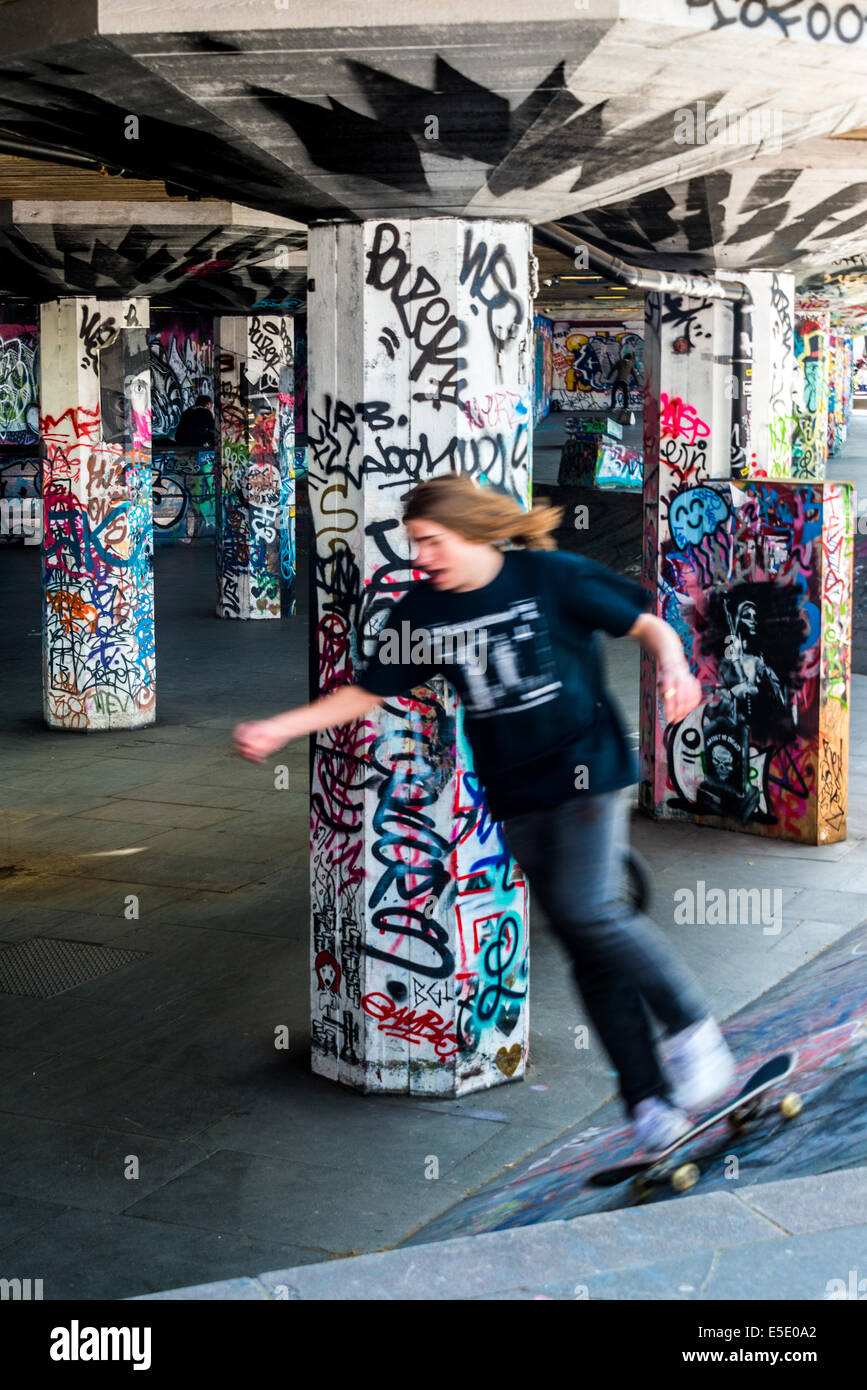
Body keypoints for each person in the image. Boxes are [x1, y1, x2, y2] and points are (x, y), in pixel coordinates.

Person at [233, 472, 735, 1153]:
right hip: (517, 794)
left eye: (432, 542)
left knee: (590, 912)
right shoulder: (423, 612)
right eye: (414, 545)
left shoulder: (548, 577)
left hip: (588, 777)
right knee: (586, 945)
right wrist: (281, 727)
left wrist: (674, 670)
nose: (422, 558)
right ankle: (648, 1102)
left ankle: (693, 1036)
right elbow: (365, 692)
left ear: (469, 532)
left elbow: (645, 623)